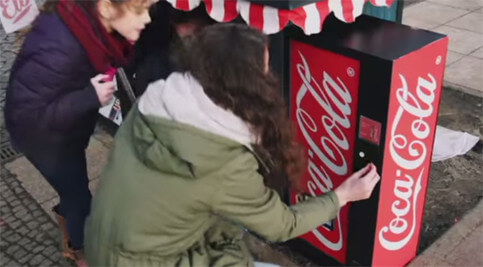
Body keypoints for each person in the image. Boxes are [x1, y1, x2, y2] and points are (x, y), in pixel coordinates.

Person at [84, 23, 380, 266]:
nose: (269, 76)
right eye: (263, 71)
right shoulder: (221, 164)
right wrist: (342, 196)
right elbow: (281, 225)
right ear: (245, 84)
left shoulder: (157, 101)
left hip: (103, 240)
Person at [4, 0, 155, 265]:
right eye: (140, 10)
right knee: (78, 197)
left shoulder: (90, 27)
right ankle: (79, 248)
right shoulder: (62, 47)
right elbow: (29, 115)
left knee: (72, 189)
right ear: (106, 8)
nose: (147, 19)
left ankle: (67, 220)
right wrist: (90, 96)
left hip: (66, 134)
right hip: (42, 140)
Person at [127, 3, 215, 97]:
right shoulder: (155, 66)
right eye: (184, 22)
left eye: (199, 28)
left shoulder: (218, 57)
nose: (191, 29)